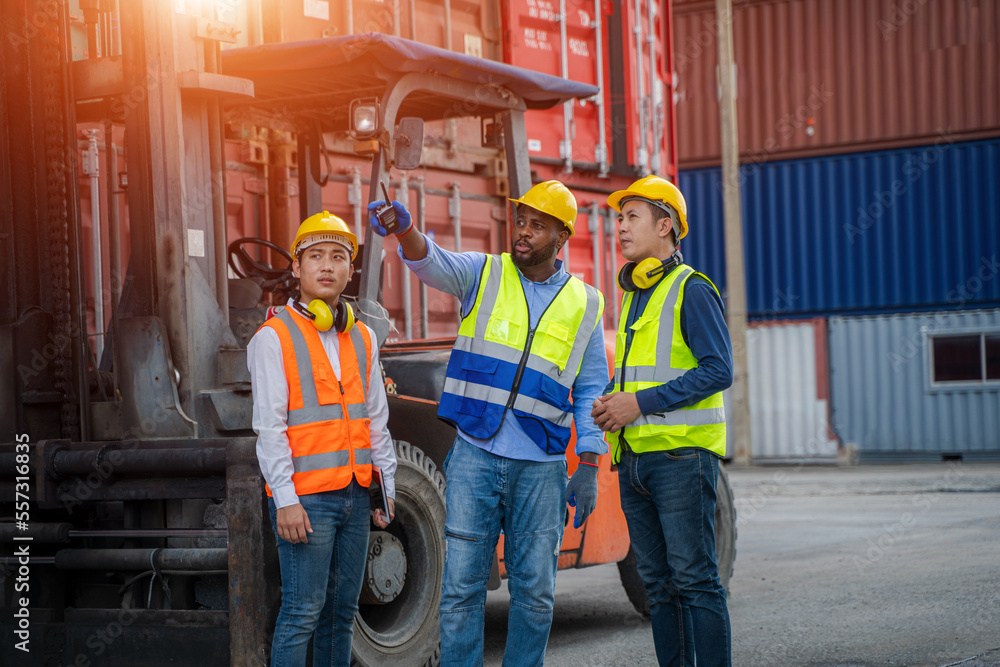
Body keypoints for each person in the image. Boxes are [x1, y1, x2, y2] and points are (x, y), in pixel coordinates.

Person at [367, 180, 607, 667]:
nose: (523, 232)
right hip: (475, 455)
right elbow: (431, 261)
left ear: (561, 237)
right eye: (521, 221)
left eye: (537, 226)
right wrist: (404, 230)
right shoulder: (486, 273)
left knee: (535, 595)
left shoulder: (586, 304)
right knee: (460, 592)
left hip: (540, 468)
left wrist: (588, 461)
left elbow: (590, 390)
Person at [591, 176, 733, 667]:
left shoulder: (692, 289)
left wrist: (640, 403)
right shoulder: (634, 296)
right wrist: (614, 403)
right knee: (658, 587)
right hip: (635, 461)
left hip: (681, 460)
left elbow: (719, 370)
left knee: (695, 580)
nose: (621, 228)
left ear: (665, 225)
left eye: (632, 217)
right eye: (620, 219)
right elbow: (643, 375)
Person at [248, 211, 398, 667]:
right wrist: (286, 500)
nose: (327, 266)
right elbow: (269, 428)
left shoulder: (363, 337)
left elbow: (376, 418)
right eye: (316, 256)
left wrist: (384, 488)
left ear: (350, 268)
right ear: (297, 268)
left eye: (338, 256)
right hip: (307, 503)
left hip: (354, 494)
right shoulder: (273, 338)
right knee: (301, 613)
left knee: (342, 614)